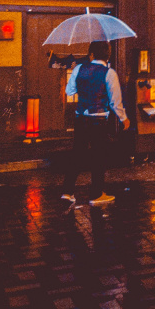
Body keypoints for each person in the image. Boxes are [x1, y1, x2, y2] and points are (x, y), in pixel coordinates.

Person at [62, 40, 129, 205]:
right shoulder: (109, 73)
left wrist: (82, 84)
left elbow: (69, 91)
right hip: (98, 120)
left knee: (77, 154)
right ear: (108, 55)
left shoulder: (79, 69)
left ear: (91, 54)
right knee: (99, 156)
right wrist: (123, 118)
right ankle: (96, 193)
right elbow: (115, 101)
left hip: (80, 118)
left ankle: (67, 191)